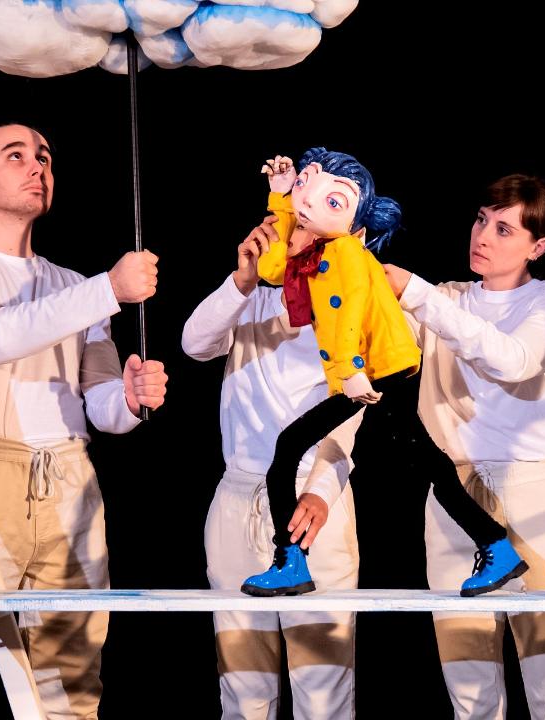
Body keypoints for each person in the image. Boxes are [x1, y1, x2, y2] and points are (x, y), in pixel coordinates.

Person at [0, 120, 168, 720]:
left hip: (70, 482)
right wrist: (109, 288)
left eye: (44, 157)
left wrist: (130, 399)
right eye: (15, 155)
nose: (37, 167)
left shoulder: (73, 285)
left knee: (72, 683)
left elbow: (102, 408)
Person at [241, 149, 526, 599]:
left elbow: (348, 313)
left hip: (376, 371)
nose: (309, 198)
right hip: (378, 369)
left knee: (289, 446)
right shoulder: (317, 252)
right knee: (428, 460)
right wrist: (279, 197)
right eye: (306, 182)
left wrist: (351, 371)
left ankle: (289, 561)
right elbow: (272, 268)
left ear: (355, 223)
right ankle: (496, 546)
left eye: (333, 200)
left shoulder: (345, 255)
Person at [384, 174, 545, 719]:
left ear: (537, 248)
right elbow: (374, 333)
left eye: (504, 229)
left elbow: (512, 361)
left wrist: (417, 294)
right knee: (469, 681)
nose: (483, 236)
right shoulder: (446, 298)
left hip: (533, 487)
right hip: (456, 493)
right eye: (481, 220)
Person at [182, 214, 362, 718]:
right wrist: (241, 280)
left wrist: (322, 490)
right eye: (290, 220)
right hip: (238, 496)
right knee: (243, 690)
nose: (292, 233)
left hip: (311, 500)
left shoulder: (352, 313)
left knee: (324, 694)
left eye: (307, 222)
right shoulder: (252, 303)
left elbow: (349, 420)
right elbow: (194, 344)